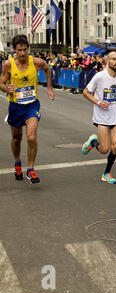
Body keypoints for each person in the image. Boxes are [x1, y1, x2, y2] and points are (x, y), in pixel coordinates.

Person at [0, 34, 55, 184]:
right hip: (15, 106)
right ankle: (17, 163)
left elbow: (47, 69)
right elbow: (1, 82)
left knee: (31, 136)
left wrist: (49, 89)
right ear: (13, 49)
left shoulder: (37, 62)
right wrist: (7, 89)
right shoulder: (8, 65)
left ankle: (30, 169)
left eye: (25, 49)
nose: (23, 53)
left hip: (32, 104)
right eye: (19, 50)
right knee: (17, 139)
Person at [81, 51, 116, 184]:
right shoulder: (99, 77)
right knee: (104, 149)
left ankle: (107, 173)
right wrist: (99, 102)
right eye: (114, 59)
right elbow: (85, 92)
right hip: (102, 117)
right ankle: (94, 142)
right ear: (107, 61)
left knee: (115, 146)